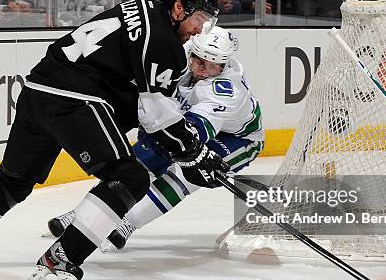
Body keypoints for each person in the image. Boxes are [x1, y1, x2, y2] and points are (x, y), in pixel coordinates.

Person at [0, 0, 227, 280]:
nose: (199, 30)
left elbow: (133, 97)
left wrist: (182, 147)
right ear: (178, 8)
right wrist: (195, 152)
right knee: (130, 177)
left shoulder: (143, 7)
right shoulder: (165, 43)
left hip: (38, 90)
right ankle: (61, 259)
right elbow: (155, 114)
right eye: (199, 18)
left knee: (13, 182)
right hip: (74, 100)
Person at [46, 26, 264, 251]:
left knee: (186, 175)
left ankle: (127, 223)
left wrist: (165, 138)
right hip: (190, 122)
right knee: (138, 162)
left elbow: (195, 132)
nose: (203, 70)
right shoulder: (182, 54)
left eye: (212, 66)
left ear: (223, 64)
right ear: (193, 53)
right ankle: (82, 215)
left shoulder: (227, 90)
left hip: (237, 139)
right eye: (199, 62)